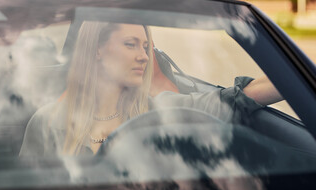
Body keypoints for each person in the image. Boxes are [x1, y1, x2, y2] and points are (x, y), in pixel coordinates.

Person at [19, 21, 282, 156]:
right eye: (131, 44)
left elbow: (237, 100)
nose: (144, 56)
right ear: (97, 49)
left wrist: (299, 77)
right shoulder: (47, 123)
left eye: (146, 47)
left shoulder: (159, 111)